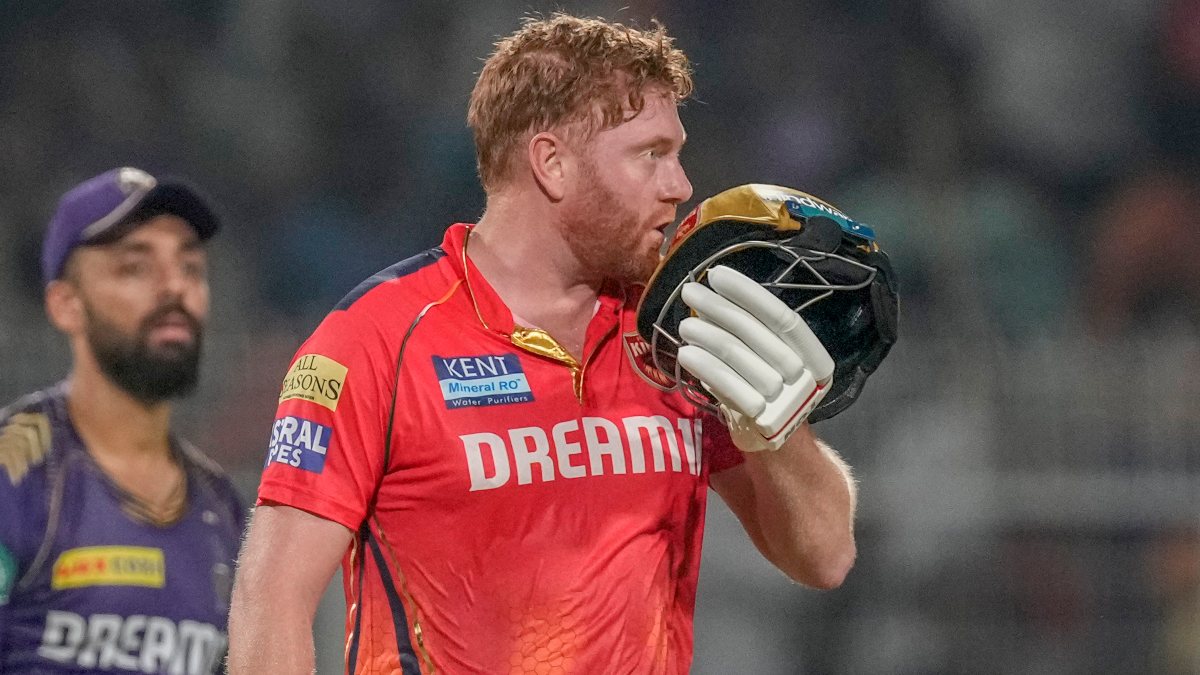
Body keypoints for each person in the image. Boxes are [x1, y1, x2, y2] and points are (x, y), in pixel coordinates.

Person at [228, 13, 857, 674]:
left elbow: (825, 557)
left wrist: (780, 436)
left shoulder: (678, 332)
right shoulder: (375, 341)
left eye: (677, 152)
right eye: (651, 154)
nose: (681, 185)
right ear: (552, 163)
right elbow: (270, 597)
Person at [0, 167, 246, 674]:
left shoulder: (222, 510)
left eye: (191, 268)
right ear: (66, 305)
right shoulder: (16, 475)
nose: (174, 287)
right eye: (135, 268)